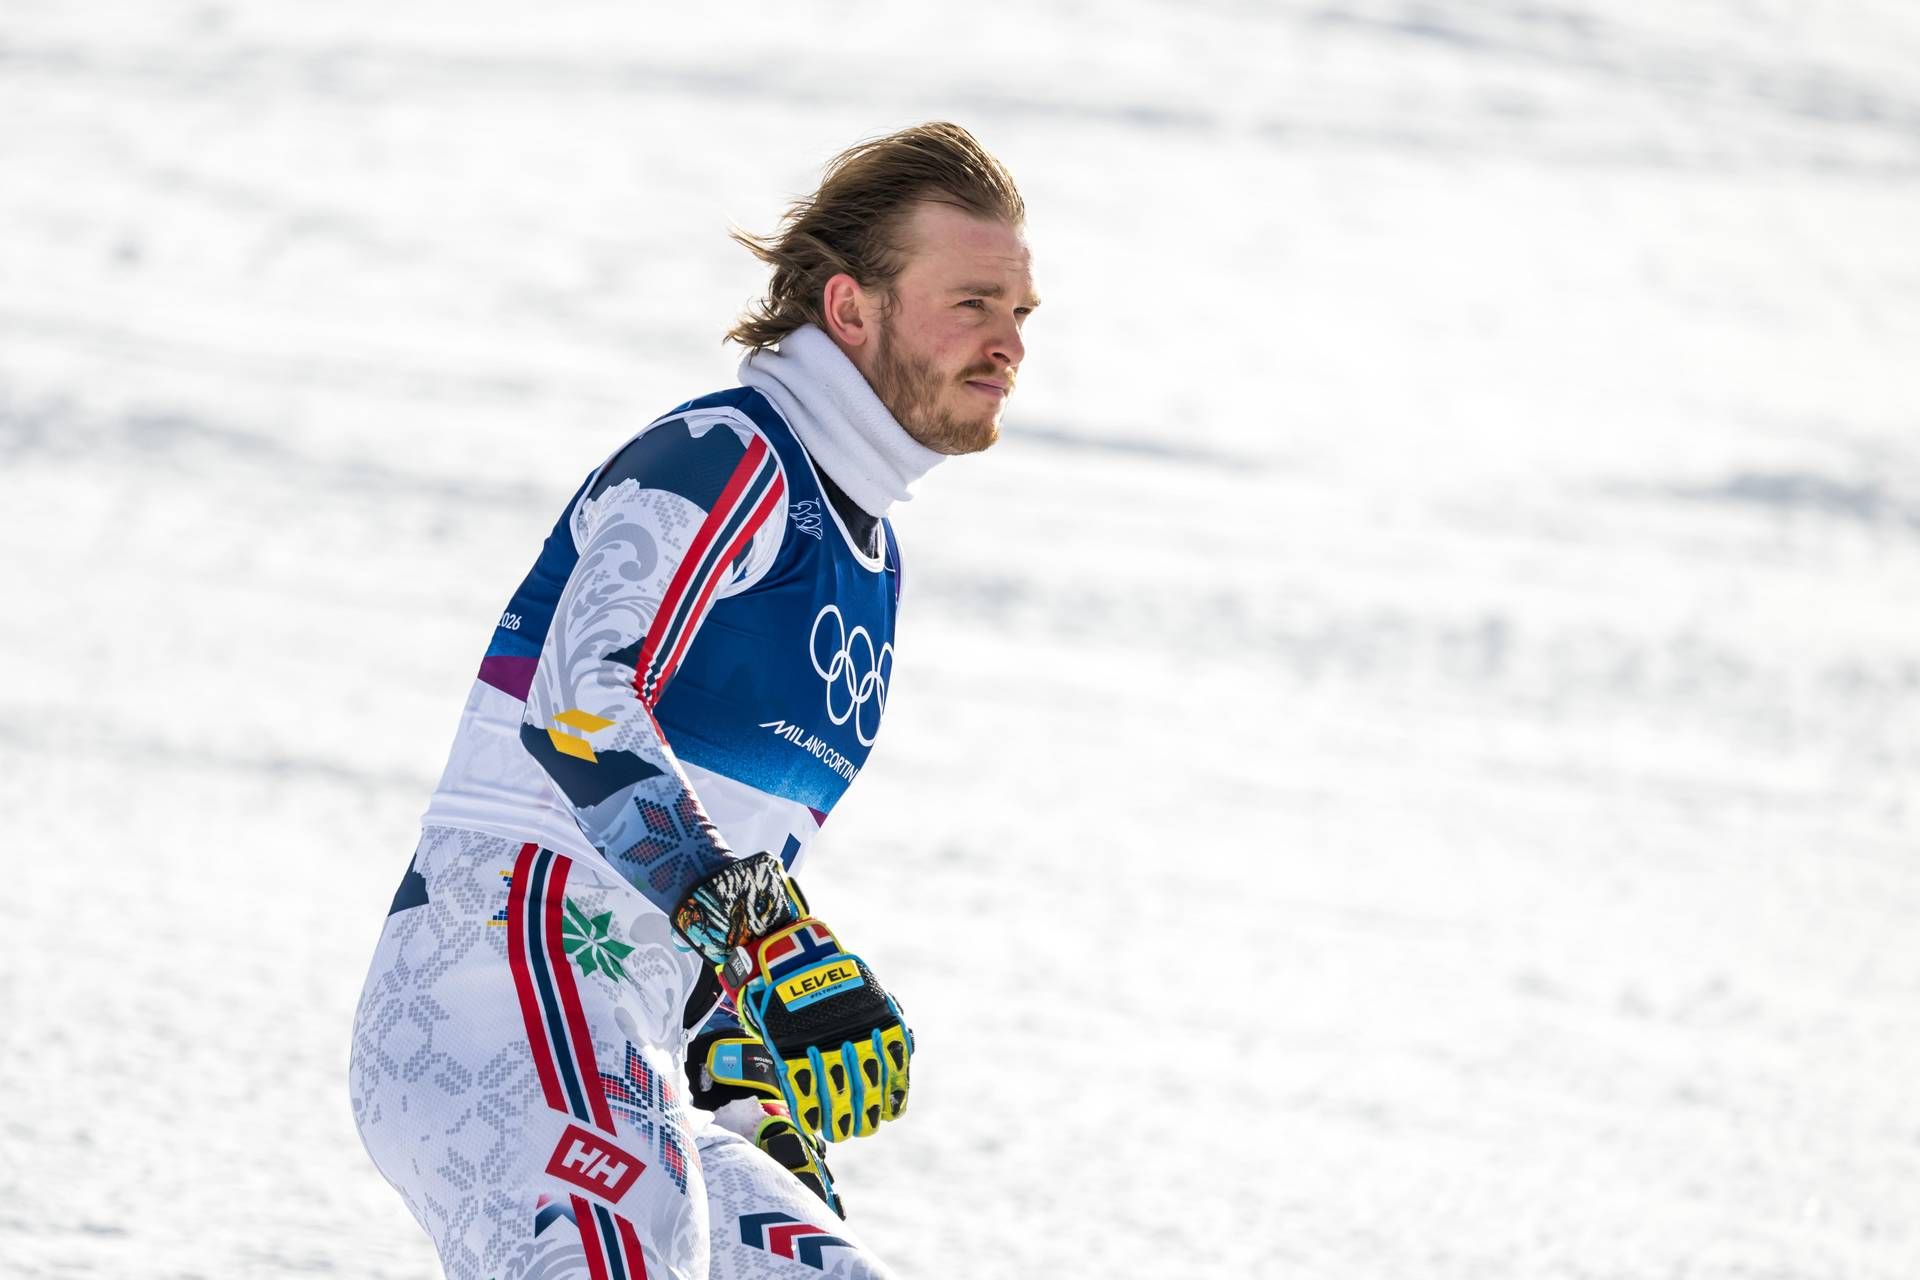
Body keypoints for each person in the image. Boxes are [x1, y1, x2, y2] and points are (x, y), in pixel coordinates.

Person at [349, 121, 1039, 1280]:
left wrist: (750, 1085)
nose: (1009, 343)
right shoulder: (726, 456)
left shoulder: (866, 554)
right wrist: (768, 934)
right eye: (973, 302)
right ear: (851, 309)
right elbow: (574, 703)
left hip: (635, 1043)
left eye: (1022, 312)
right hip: (500, 985)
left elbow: (722, 849)